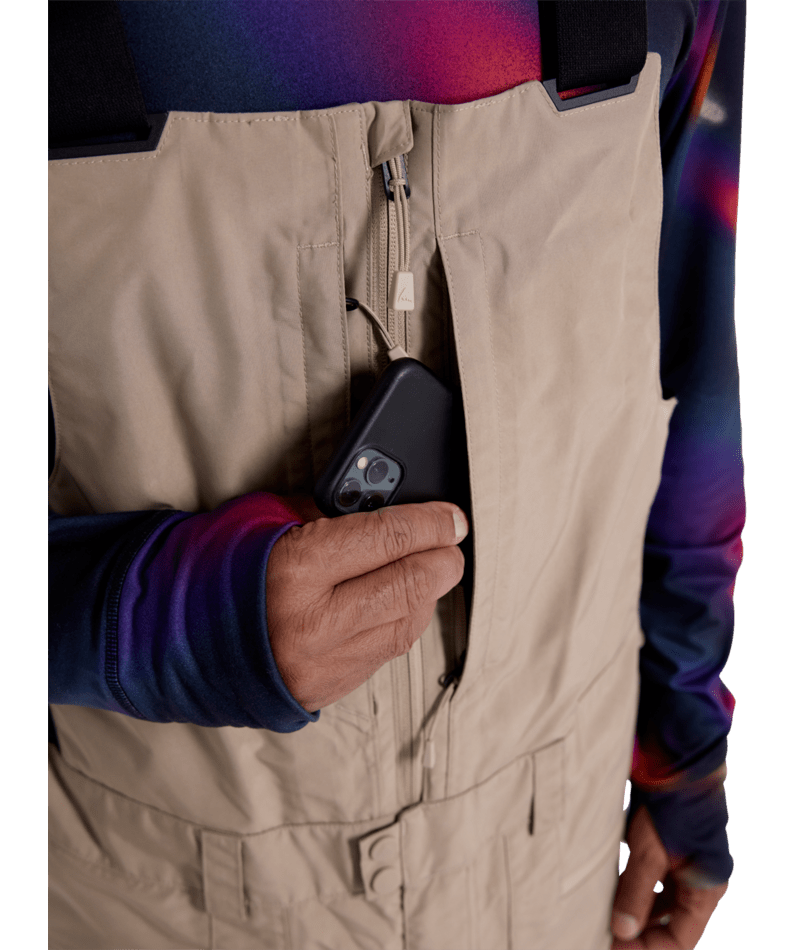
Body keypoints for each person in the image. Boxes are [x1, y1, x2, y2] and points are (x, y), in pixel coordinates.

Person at [48, 2, 745, 948]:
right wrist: (145, 622)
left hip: (555, 866)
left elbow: (690, 380)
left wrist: (683, 745)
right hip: (144, 893)